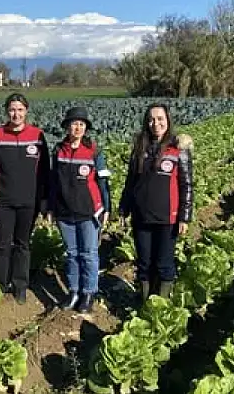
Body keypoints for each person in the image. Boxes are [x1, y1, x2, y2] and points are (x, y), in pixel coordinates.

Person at [118, 103, 193, 301]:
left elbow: (186, 185)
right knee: (144, 263)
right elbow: (131, 181)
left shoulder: (178, 149)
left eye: (160, 119)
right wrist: (124, 208)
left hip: (168, 218)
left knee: (164, 264)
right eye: (151, 119)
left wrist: (184, 217)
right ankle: (145, 302)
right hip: (141, 216)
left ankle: (161, 305)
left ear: (168, 121)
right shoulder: (140, 148)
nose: (155, 123)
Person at [0, 93, 50, 304]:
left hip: (29, 202)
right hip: (3, 200)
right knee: (2, 244)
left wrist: (44, 201)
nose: (16, 114)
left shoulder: (37, 136)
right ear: (6, 111)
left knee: (23, 244)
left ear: (26, 111)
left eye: (20, 109)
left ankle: (20, 285)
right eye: (12, 109)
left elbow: (45, 171)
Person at [48, 106, 111, 313]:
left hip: (89, 212)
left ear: (86, 128)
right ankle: (74, 291)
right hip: (65, 212)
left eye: (81, 124)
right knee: (71, 254)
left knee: (89, 254)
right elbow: (53, 182)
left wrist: (106, 208)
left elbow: (102, 181)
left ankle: (89, 292)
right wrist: (50, 206)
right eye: (74, 123)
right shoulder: (58, 150)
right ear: (67, 126)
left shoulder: (94, 150)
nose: (77, 128)